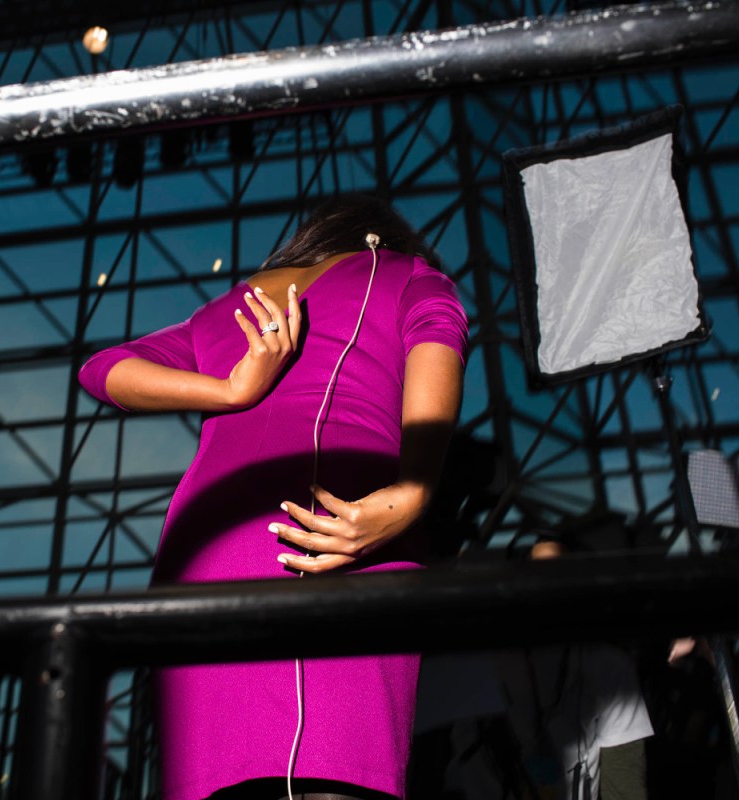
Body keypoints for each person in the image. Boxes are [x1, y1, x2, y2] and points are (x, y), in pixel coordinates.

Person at [78, 194, 468, 800]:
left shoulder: (230, 309)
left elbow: (102, 369)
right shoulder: (407, 273)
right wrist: (413, 492)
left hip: (206, 546)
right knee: (339, 773)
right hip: (337, 528)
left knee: (218, 781)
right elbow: (438, 338)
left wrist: (230, 391)